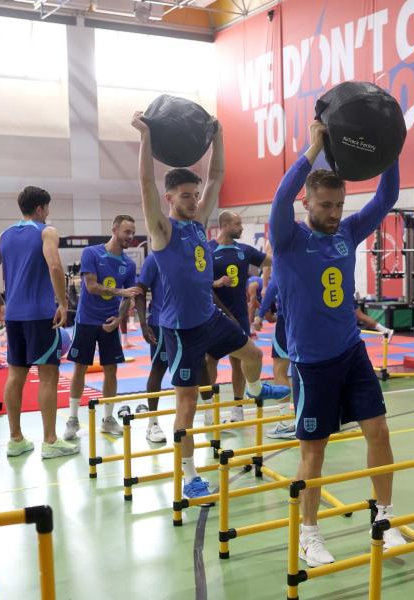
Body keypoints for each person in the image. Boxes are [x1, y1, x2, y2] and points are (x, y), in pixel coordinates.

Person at [270, 119, 407, 567]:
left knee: (380, 432)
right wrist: (313, 148)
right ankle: (310, 534)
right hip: (311, 364)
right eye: (325, 205)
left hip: (351, 354)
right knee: (313, 452)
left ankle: (383, 519)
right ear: (306, 201)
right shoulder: (289, 238)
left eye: (338, 205)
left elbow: (386, 197)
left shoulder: (347, 233)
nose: (333, 212)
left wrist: (390, 148)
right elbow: (279, 197)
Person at [131, 112, 289, 501]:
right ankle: (187, 475)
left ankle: (253, 390)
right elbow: (145, 183)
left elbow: (216, 175)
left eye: (194, 194)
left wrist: (219, 134)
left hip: (210, 316)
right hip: (181, 329)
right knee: (186, 403)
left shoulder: (199, 223)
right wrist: (145, 136)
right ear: (170, 199)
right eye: (185, 195)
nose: (193, 200)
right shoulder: (162, 230)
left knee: (252, 354)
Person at [0, 186, 78, 459]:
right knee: (48, 376)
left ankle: (16, 440)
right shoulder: (47, 231)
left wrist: (0, 303)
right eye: (47, 208)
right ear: (40, 209)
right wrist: (63, 302)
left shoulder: (5, 235)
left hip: (15, 317)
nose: (48, 213)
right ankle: (50, 441)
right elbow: (55, 267)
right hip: (40, 316)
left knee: (16, 375)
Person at [63, 215, 141, 441]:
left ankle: (108, 419)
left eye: (133, 233)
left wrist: (119, 319)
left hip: (110, 323)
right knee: (79, 369)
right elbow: (92, 286)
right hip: (86, 320)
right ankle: (72, 419)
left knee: (111, 370)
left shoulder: (129, 264)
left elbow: (129, 297)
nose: (130, 237)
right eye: (127, 232)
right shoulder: (92, 253)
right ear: (114, 229)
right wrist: (120, 292)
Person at [209, 211, 271, 422]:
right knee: (210, 361)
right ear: (224, 225)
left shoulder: (244, 250)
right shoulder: (208, 249)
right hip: (213, 317)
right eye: (237, 224)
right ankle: (210, 410)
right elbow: (196, 282)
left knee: (239, 362)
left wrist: (285, 246)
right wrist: (216, 283)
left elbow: (270, 260)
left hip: (239, 317)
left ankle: (238, 408)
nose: (241, 228)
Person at [252, 274, 295, 440]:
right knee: (306, 368)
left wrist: (260, 314)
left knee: (280, 370)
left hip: (288, 319)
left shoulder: (284, 255)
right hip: (312, 318)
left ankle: (284, 422)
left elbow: (272, 286)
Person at [135, 255, 168, 444]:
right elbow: (139, 292)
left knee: (198, 368)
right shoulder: (154, 259)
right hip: (161, 324)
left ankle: (206, 416)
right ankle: (152, 423)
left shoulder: (187, 253)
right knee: (158, 368)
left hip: (188, 323)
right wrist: (143, 323)